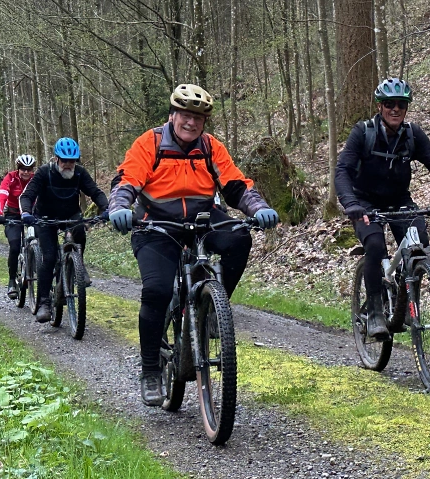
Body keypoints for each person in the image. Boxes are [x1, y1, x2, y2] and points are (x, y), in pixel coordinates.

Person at [108, 83, 279, 406]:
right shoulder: (151, 142)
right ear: (173, 115)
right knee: (157, 291)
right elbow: (127, 180)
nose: (191, 123)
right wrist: (119, 207)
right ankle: (150, 372)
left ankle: (213, 309)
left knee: (239, 237)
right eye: (186, 115)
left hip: (203, 217)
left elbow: (236, 185)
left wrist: (258, 208)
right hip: (156, 224)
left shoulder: (211, 147)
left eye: (198, 118)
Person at [335, 78, 430, 341]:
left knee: (420, 243)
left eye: (401, 104)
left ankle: (407, 299)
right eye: (389, 104)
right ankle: (376, 310)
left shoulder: (412, 134)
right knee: (376, 245)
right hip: (364, 202)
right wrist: (351, 204)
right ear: (380, 106)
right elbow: (343, 171)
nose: (395, 109)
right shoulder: (363, 132)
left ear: (406, 107)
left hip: (399, 201)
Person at [20, 138, 109, 322]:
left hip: (70, 215)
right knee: (50, 257)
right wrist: (27, 213)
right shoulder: (44, 172)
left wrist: (106, 209)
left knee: (80, 232)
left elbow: (95, 192)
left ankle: (78, 265)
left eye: (72, 161)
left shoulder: (80, 174)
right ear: (56, 159)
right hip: (46, 218)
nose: (68, 165)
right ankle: (44, 302)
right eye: (64, 160)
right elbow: (27, 195)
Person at [0, 154, 36, 299]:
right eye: (23, 169)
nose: (26, 172)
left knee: (42, 240)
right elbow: (2, 195)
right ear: (18, 169)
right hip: (12, 214)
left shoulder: (35, 178)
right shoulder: (10, 178)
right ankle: (12, 280)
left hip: (31, 214)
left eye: (29, 169)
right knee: (14, 246)